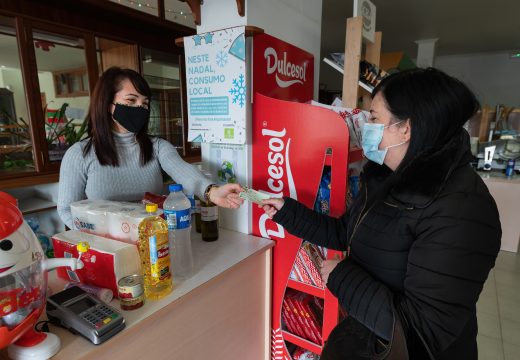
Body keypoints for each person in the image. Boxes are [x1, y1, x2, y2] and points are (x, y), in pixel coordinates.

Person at [261, 68, 501, 359]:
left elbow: (422, 331)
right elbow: (344, 232)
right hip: (366, 337)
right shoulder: (387, 177)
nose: (364, 125)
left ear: (406, 127)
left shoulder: (462, 209)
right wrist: (286, 211)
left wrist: (342, 276)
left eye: (373, 117)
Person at [58, 67, 243, 229]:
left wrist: (211, 191)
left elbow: (183, 171)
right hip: (107, 248)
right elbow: (67, 209)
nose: (140, 108)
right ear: (108, 105)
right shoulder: (79, 154)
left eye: (144, 103)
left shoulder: (157, 147)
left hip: (154, 244)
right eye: (131, 101)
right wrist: (96, 235)